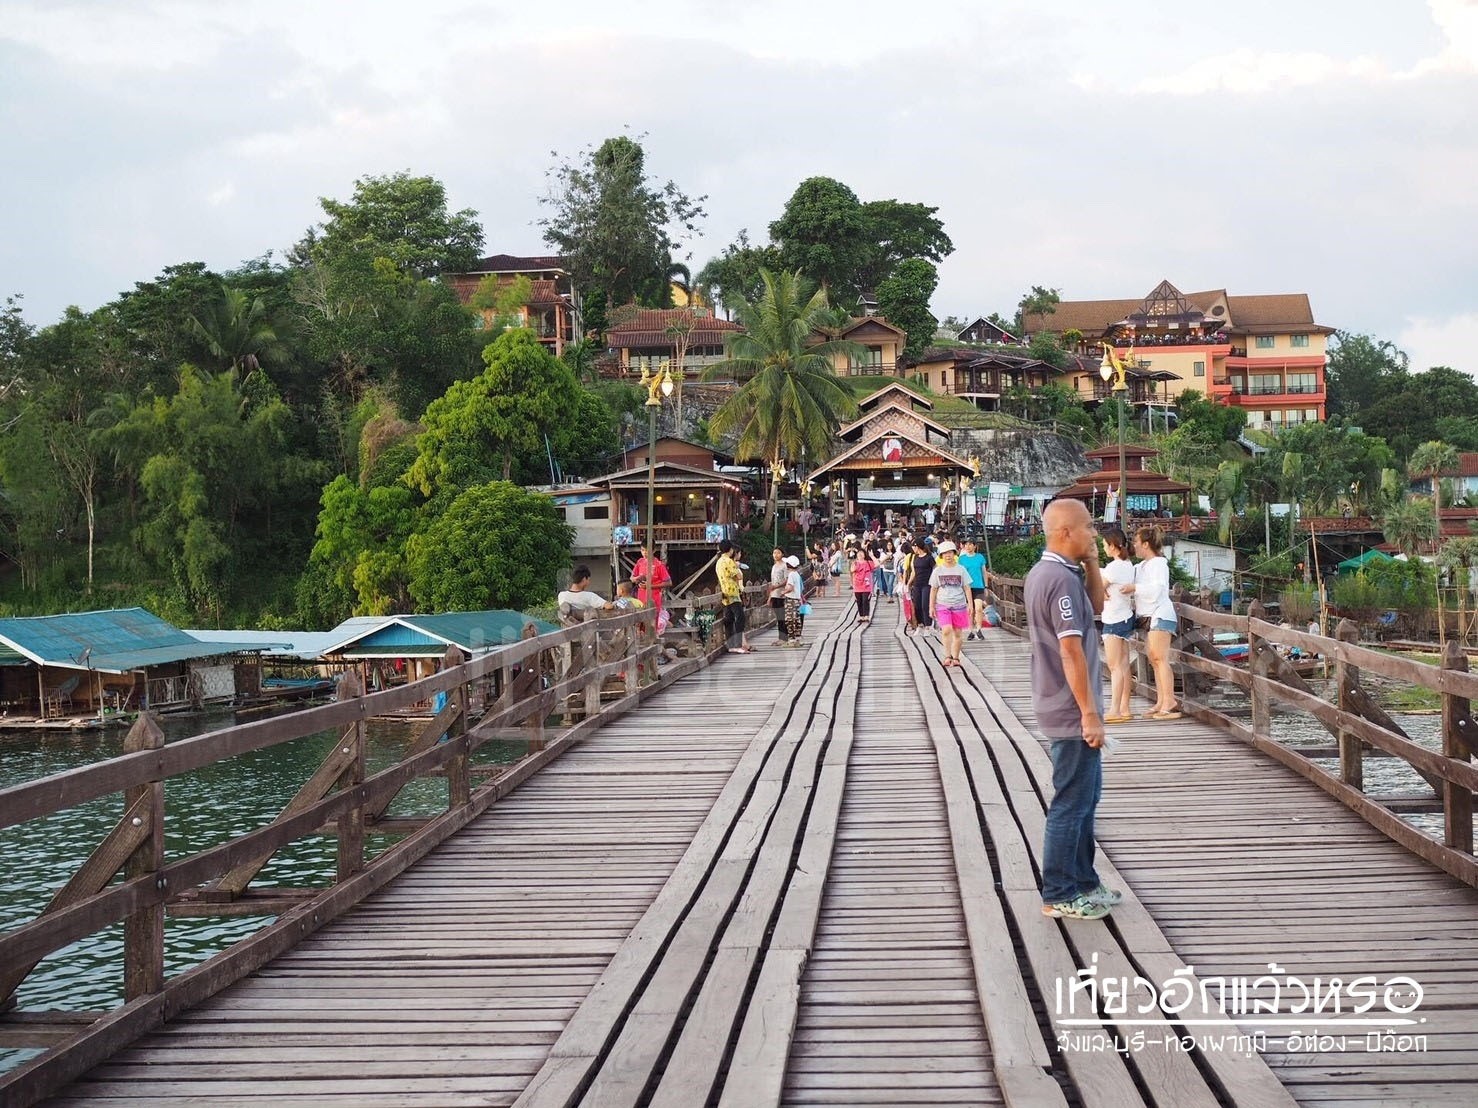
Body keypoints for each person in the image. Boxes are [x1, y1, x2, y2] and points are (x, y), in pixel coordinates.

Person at [1026, 498, 1119, 921]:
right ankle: (1059, 891)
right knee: (1071, 802)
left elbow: (1097, 607)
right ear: (1065, 532)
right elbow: (1070, 651)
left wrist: (1093, 563)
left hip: (1066, 705)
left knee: (1086, 797)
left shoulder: (1058, 573)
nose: (1094, 533)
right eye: (1088, 527)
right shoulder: (1058, 580)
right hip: (1069, 708)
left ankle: (1084, 880)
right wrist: (1090, 714)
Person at [1124, 526, 1180, 719]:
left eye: (1136, 542)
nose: (1134, 546)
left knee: (1159, 657)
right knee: (1154, 659)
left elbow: (1157, 590)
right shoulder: (1140, 566)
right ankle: (1161, 700)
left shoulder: (1159, 564)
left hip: (1160, 613)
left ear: (1146, 544)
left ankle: (1169, 700)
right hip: (1150, 615)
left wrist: (1135, 588)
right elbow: (1122, 575)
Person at [1098, 528, 1135, 724]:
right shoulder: (1128, 565)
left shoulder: (1114, 567)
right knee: (1124, 665)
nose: (1104, 548)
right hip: (1125, 616)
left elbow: (1096, 587)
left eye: (1105, 545)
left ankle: (1114, 710)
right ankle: (1124, 708)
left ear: (1113, 546)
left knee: (1114, 667)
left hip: (1113, 619)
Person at [929, 540, 974, 667]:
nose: (948, 555)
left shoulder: (961, 569)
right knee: (946, 629)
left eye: (950, 552)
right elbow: (933, 589)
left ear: (954, 554)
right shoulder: (938, 571)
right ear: (941, 555)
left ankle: (956, 657)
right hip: (943, 604)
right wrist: (931, 606)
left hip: (959, 604)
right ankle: (947, 656)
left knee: (958, 632)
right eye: (945, 553)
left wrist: (970, 604)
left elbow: (967, 587)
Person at [716, 539, 751, 654]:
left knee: (729, 618)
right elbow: (739, 576)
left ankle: (731, 645)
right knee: (740, 617)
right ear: (730, 549)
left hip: (724, 591)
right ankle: (738, 644)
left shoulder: (719, 562)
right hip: (732, 592)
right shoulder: (729, 561)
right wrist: (737, 569)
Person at [958, 537, 989, 640]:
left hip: (979, 586)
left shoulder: (980, 557)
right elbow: (960, 574)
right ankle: (971, 630)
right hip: (966, 587)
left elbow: (984, 572)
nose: (968, 546)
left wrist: (986, 586)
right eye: (966, 544)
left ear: (975, 546)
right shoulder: (962, 559)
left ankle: (979, 629)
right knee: (970, 610)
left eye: (970, 544)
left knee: (979, 608)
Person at [631, 545, 672, 623]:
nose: (644, 553)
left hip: (654, 600)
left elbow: (669, 582)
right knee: (641, 624)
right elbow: (632, 578)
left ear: (654, 550)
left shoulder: (659, 565)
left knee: (653, 624)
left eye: (647, 550)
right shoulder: (640, 562)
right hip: (641, 600)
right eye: (642, 550)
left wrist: (650, 586)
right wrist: (638, 578)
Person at [908, 537, 935, 633]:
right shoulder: (915, 557)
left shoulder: (929, 557)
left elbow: (935, 570)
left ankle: (928, 625)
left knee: (925, 605)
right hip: (917, 584)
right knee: (917, 605)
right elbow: (913, 572)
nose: (913, 549)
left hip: (927, 584)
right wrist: (909, 583)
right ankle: (920, 624)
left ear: (917, 546)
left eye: (914, 547)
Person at [780, 554, 807, 645]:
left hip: (790, 599)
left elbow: (790, 588)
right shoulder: (797, 574)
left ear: (788, 565)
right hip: (797, 599)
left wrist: (783, 592)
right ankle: (798, 637)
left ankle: (791, 639)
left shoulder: (791, 575)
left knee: (789, 619)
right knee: (797, 618)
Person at [850, 544, 876, 622]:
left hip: (866, 585)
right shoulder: (855, 563)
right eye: (859, 553)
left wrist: (872, 556)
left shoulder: (868, 562)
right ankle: (861, 616)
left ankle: (866, 616)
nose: (860, 555)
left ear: (864, 555)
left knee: (865, 600)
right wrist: (855, 563)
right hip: (857, 585)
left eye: (862, 553)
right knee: (859, 601)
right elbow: (852, 570)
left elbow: (877, 564)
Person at [768, 547, 788, 635]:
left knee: (782, 616)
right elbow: (772, 582)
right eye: (774, 553)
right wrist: (770, 597)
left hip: (782, 593)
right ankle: (781, 637)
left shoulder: (784, 566)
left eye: (778, 553)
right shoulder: (774, 566)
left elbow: (787, 580)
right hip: (774, 594)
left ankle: (784, 636)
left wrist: (777, 586)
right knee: (778, 616)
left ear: (782, 554)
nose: (776, 555)